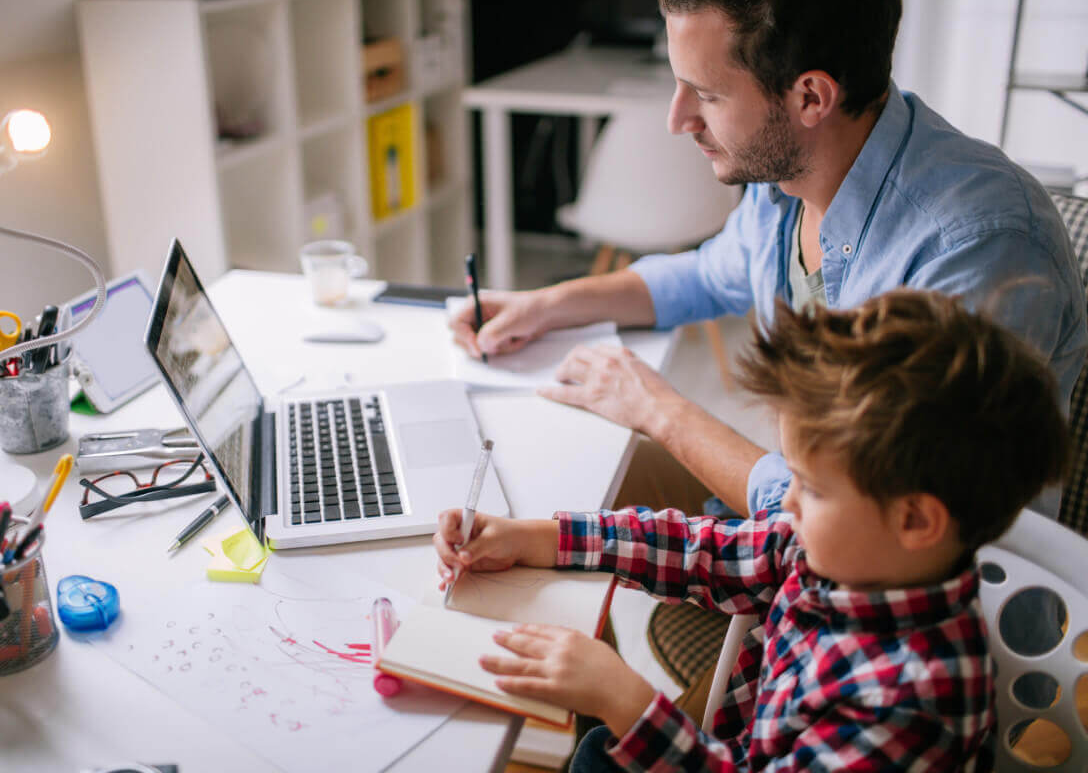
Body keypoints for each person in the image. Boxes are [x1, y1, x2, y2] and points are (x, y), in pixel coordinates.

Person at [450, 0, 1085, 522]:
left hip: (902, 609)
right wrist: (548, 305)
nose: (678, 119)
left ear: (810, 96)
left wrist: (658, 408)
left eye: (706, 93)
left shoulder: (974, 252)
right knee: (547, 487)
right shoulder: (791, 174)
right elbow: (710, 274)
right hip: (801, 513)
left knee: (573, 523)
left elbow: (867, 519)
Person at [434, 289, 1068, 771]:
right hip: (733, 746)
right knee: (603, 749)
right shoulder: (838, 553)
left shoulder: (911, 701)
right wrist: (533, 538)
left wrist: (626, 699)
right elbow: (701, 551)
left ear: (915, 520)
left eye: (812, 488)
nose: (784, 500)